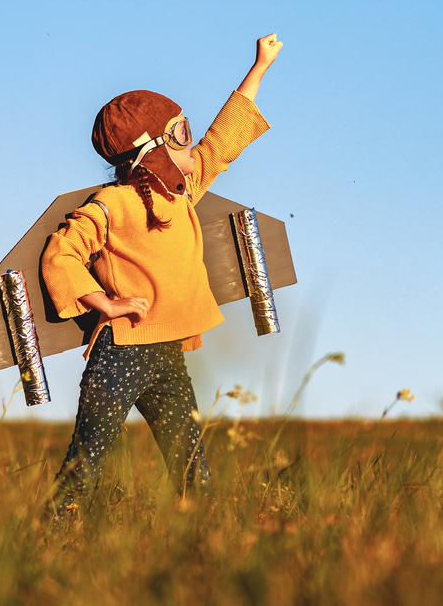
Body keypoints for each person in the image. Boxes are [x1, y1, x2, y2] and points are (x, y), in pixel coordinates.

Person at [40, 33, 283, 513]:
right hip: (120, 354)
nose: (192, 143)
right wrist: (105, 303)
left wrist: (259, 69)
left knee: (193, 470)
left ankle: (203, 544)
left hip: (168, 355)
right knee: (85, 464)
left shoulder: (181, 195)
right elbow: (62, 252)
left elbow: (223, 143)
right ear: (150, 150)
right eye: (179, 134)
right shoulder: (115, 203)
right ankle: (50, 537)